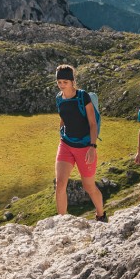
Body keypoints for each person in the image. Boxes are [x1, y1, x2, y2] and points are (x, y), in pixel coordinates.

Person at [54, 64, 107, 222]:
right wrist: (61, 130)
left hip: (85, 147)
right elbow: (64, 117)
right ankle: (62, 222)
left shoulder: (83, 96)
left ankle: (101, 215)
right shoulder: (59, 98)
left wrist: (92, 147)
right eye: (59, 82)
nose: (62, 85)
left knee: (88, 185)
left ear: (72, 81)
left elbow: (92, 124)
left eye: (65, 82)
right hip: (66, 144)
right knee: (60, 184)